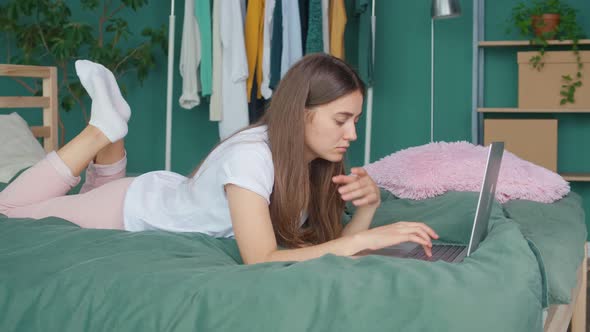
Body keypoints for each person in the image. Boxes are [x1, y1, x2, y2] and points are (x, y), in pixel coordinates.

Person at [0, 54, 438, 264]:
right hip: (127, 207)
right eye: (342, 119)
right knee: (9, 211)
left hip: (158, 192)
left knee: (83, 195)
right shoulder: (252, 157)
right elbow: (261, 257)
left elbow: (331, 241)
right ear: (302, 112)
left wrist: (369, 209)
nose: (353, 134)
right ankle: (101, 132)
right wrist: (362, 240)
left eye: (355, 120)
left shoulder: (313, 159)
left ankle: (112, 137)